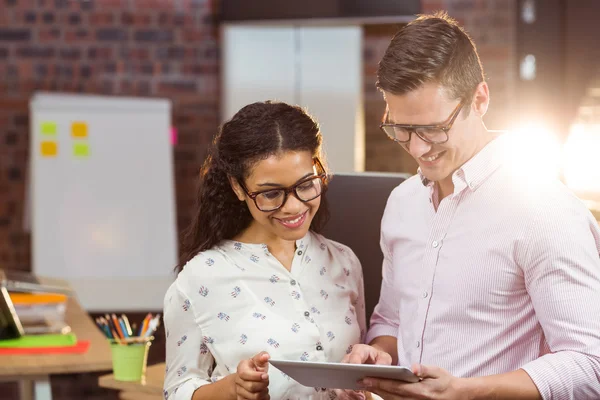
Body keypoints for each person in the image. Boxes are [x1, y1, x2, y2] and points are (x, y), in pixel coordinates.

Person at [342, 11, 600, 400]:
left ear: (480, 99)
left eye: (433, 128)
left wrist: (466, 391)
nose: (417, 149)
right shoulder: (402, 202)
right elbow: (393, 319)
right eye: (401, 129)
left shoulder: (546, 209)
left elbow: (588, 364)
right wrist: (378, 353)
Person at [162, 101, 367, 400]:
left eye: (307, 184)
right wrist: (231, 389)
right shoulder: (201, 277)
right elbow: (177, 391)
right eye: (271, 194)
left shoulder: (344, 262)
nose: (294, 206)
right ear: (238, 188)